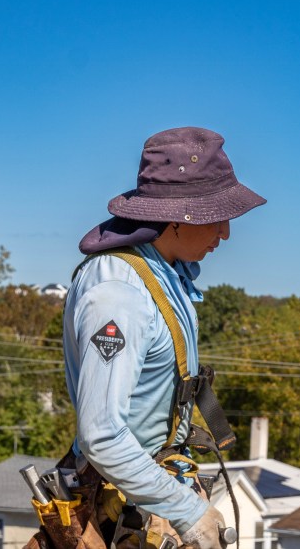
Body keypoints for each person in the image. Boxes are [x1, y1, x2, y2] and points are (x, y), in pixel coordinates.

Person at [62, 127, 265, 549]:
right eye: (217, 216)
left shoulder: (164, 274)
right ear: (176, 215)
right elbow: (100, 435)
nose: (225, 233)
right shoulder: (118, 293)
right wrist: (187, 512)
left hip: (156, 494)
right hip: (123, 511)